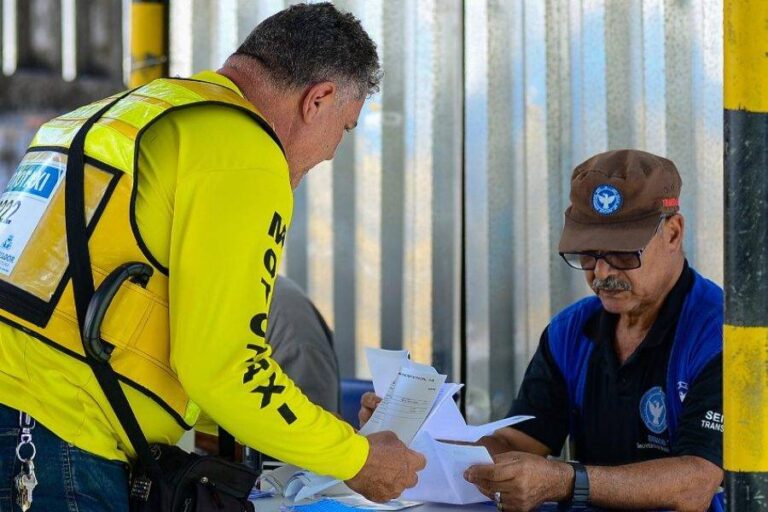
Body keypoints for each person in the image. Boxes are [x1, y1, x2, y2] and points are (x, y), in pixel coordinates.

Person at [0, 3, 424, 511]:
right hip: (57, 443)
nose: (332, 151)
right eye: (345, 128)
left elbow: (135, 330)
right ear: (319, 99)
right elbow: (227, 370)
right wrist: (357, 459)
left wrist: (313, 431)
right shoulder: (242, 149)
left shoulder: (120, 117)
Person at [361, 149, 724, 511]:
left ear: (673, 234)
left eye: (624, 253)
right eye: (587, 255)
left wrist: (565, 481)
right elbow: (520, 442)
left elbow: (695, 482)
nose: (601, 273)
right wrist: (421, 444)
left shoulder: (719, 336)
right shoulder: (570, 331)